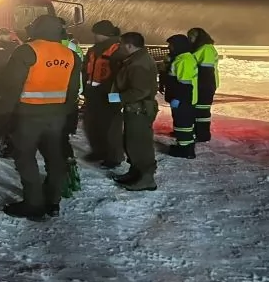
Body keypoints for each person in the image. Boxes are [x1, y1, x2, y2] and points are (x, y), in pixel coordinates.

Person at [0, 15, 82, 219]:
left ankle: (33, 203)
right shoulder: (71, 55)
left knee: (25, 157)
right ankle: (53, 201)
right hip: (57, 116)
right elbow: (73, 91)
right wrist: (70, 116)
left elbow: (11, 87)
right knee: (55, 158)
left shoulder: (27, 50)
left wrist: (3, 116)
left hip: (28, 115)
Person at [108, 32, 160, 191]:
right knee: (132, 142)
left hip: (140, 109)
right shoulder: (135, 60)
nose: (120, 48)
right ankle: (136, 172)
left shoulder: (139, 63)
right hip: (136, 109)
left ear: (129, 45)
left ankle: (146, 179)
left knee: (140, 144)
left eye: (122, 45)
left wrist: (116, 98)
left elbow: (140, 91)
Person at [81, 20, 125, 168]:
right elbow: (86, 69)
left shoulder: (118, 49)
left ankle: (114, 157)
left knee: (111, 127)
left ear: (103, 34)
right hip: (93, 93)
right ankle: (99, 151)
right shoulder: (94, 49)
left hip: (109, 94)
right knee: (92, 124)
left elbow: (121, 75)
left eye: (96, 33)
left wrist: (111, 92)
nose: (94, 36)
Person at [59, 21, 85, 197]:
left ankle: (60, 181)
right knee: (62, 138)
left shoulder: (35, 48)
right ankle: (70, 168)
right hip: (71, 96)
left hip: (46, 100)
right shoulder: (74, 47)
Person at [164, 34, 199, 159]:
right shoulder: (183, 58)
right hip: (185, 98)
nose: (169, 48)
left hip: (184, 99)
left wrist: (178, 98)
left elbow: (185, 84)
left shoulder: (184, 60)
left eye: (171, 45)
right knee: (185, 124)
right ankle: (185, 146)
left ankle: (185, 150)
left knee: (183, 125)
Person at [188, 27, 219, 142]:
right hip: (202, 84)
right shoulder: (202, 48)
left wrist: (200, 87)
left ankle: (202, 135)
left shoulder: (206, 49)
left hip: (205, 85)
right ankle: (197, 132)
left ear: (198, 37)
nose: (189, 39)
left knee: (202, 112)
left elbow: (206, 71)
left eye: (191, 36)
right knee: (198, 110)